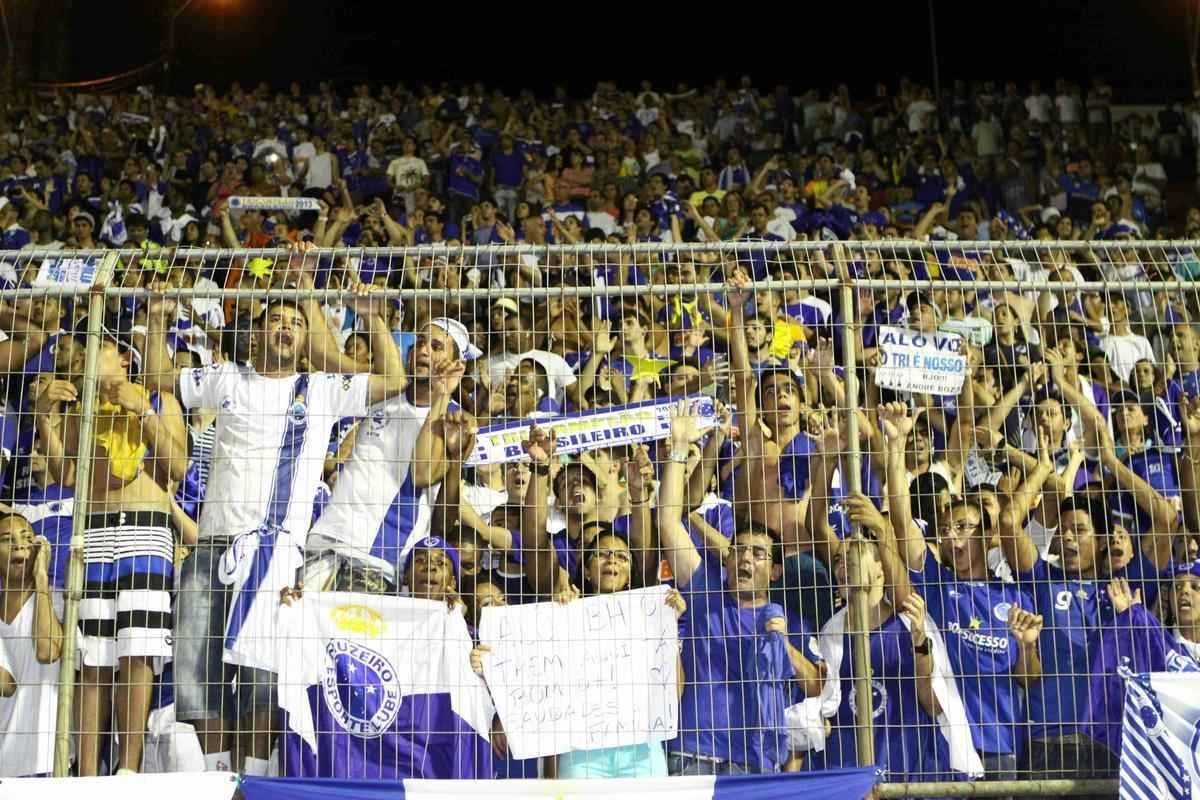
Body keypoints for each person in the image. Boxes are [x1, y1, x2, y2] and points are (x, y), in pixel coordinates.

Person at [173, 250, 404, 777]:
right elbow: (164, 379)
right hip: (211, 543)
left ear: (306, 339)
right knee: (198, 675)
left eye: (295, 323)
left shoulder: (321, 390)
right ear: (257, 332)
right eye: (275, 320)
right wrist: (160, 320)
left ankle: (253, 779)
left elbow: (394, 381)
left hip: (277, 553)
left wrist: (372, 318)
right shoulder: (227, 378)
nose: (284, 328)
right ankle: (217, 779)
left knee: (261, 679)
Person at [45, 321, 189, 776]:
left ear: (125, 357)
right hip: (94, 529)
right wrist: (45, 417)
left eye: (99, 345)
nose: (86, 353)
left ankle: (128, 768)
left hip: (146, 529)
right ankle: (87, 772)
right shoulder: (80, 408)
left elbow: (178, 467)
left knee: (137, 652)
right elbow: (67, 475)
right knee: (92, 656)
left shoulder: (160, 399)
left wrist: (142, 411)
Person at [657, 400, 815, 774]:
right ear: (727, 560)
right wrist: (679, 448)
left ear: (775, 571)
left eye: (758, 554)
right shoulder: (704, 593)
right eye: (739, 551)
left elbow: (814, 686)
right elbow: (667, 522)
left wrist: (785, 646)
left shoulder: (787, 620)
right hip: (695, 758)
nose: (745, 559)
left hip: (755, 766)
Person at [0, 513, 65, 777]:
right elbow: (6, 684)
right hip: (5, 765)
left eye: (27, 537)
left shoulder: (56, 600)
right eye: (7, 540)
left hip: (47, 762)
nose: (19, 545)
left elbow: (47, 651)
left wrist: (41, 578)